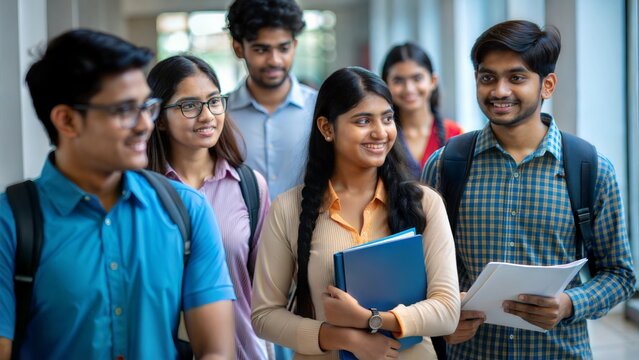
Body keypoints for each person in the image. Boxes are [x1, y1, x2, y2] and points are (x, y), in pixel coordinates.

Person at [0, 29, 236, 359]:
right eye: (125, 110)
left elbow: (217, 352)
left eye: (147, 107)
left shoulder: (186, 210)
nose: (145, 125)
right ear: (67, 120)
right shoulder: (9, 224)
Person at [421, 20, 636, 358]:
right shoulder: (446, 165)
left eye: (516, 78)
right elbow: (420, 267)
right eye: (487, 77)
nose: (499, 91)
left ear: (547, 85)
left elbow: (621, 275)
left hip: (560, 352)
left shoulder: (590, 169)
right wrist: (441, 312)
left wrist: (568, 303)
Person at [251, 66, 460, 359]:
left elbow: (448, 310)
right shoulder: (289, 209)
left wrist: (370, 319)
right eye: (363, 120)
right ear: (327, 128)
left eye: (387, 118)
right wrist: (340, 337)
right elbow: (264, 315)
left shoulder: (424, 203)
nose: (380, 132)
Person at [146, 55, 271, 360]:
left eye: (214, 101)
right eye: (189, 106)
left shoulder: (249, 186)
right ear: (159, 118)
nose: (207, 116)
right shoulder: (143, 194)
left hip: (246, 350)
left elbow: (266, 292)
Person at [225, 0, 318, 199]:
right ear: (238, 48)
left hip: (310, 228)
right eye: (261, 50)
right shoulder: (220, 115)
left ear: (294, 45)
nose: (274, 60)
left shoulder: (320, 108)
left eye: (283, 48)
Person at [381, 43, 462, 178]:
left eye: (417, 78)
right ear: (385, 84)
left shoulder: (456, 135)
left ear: (433, 81)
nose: (409, 89)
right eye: (398, 80)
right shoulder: (381, 136)